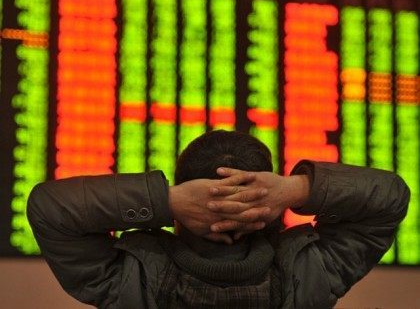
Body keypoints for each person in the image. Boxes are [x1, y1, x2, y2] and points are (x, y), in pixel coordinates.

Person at [27, 130, 410, 308]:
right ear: (267, 209)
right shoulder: (312, 273)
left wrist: (167, 201)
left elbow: (51, 207)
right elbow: (390, 197)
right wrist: (296, 190)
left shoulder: (130, 279)